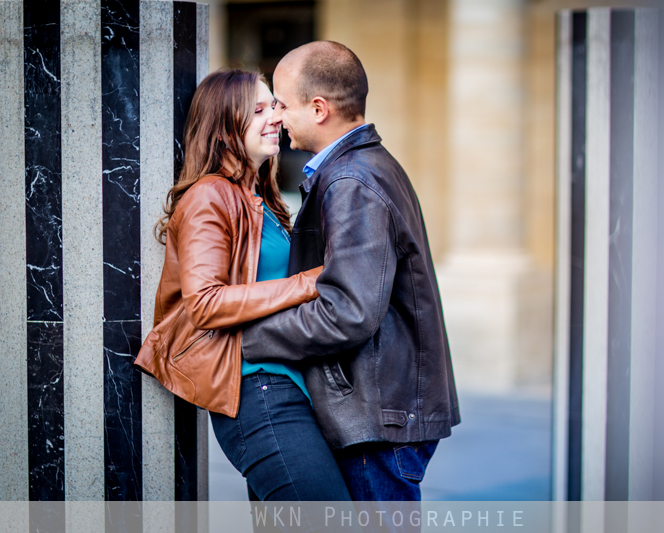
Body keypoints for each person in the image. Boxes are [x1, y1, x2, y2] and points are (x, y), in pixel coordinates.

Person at [241, 41, 461, 502]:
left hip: (376, 420)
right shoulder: (361, 168)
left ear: (318, 109)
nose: (276, 116)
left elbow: (347, 312)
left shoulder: (352, 180)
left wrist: (244, 341)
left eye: (282, 103)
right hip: (380, 412)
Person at [133, 70, 352, 507]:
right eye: (258, 110)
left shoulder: (260, 200)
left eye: (275, 106)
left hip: (288, 388)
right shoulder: (209, 196)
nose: (276, 117)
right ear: (223, 128)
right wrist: (308, 282)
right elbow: (205, 303)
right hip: (258, 393)